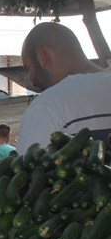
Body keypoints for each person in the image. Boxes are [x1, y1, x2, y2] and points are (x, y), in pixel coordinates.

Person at [17, 22, 111, 153]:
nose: (31, 80)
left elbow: (28, 167)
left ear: (42, 56)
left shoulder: (47, 105)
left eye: (28, 68)